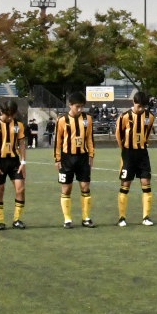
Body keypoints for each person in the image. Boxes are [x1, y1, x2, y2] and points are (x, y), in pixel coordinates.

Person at [54, 92, 97, 228]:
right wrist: (57, 158)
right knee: (66, 188)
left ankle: (86, 217)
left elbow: (90, 138)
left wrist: (91, 155)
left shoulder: (88, 119)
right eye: (77, 106)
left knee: (85, 187)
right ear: (70, 105)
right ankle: (67, 219)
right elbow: (58, 141)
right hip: (67, 158)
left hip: (83, 157)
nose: (80, 109)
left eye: (82, 107)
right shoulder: (62, 120)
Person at [114, 90, 156, 227]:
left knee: (146, 182)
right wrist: (124, 150)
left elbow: (148, 132)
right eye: (139, 106)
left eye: (144, 107)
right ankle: (122, 217)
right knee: (126, 184)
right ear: (134, 103)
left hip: (143, 153)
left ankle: (146, 217)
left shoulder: (150, 117)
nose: (141, 109)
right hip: (128, 153)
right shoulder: (125, 116)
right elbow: (118, 135)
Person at [0, 100, 27, 229]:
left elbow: (21, 144)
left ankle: (17, 219)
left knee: (20, 189)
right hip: (0, 161)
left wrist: (23, 162)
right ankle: (0, 221)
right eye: (7, 115)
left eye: (12, 115)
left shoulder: (18, 125)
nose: (9, 118)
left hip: (14, 160)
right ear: (1, 112)